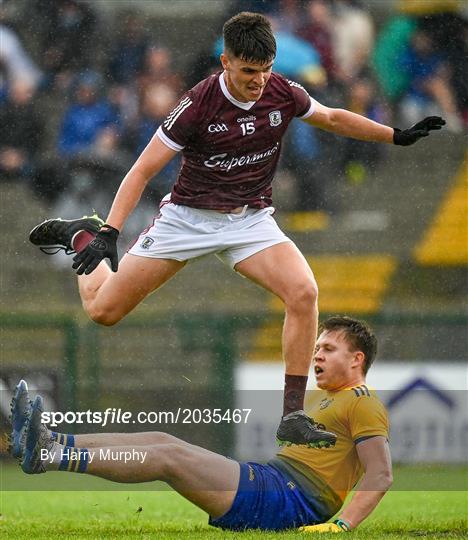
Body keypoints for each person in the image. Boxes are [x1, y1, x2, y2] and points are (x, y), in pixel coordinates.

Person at [29, 12, 444, 447]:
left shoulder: (282, 91)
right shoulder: (196, 105)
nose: (259, 80)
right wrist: (109, 232)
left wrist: (396, 135)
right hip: (187, 220)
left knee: (303, 292)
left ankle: (292, 415)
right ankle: (80, 234)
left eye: (265, 69)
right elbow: (141, 171)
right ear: (225, 61)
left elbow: (335, 118)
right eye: (249, 71)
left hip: (249, 221)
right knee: (103, 312)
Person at [10, 316, 392, 532]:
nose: (316, 357)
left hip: (287, 501)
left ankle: (50, 457)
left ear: (357, 359)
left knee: (167, 457)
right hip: (274, 484)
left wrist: (341, 526)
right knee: (162, 439)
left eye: (327, 349)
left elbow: (381, 473)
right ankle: (51, 440)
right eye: (316, 349)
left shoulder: (363, 402)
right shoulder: (326, 397)